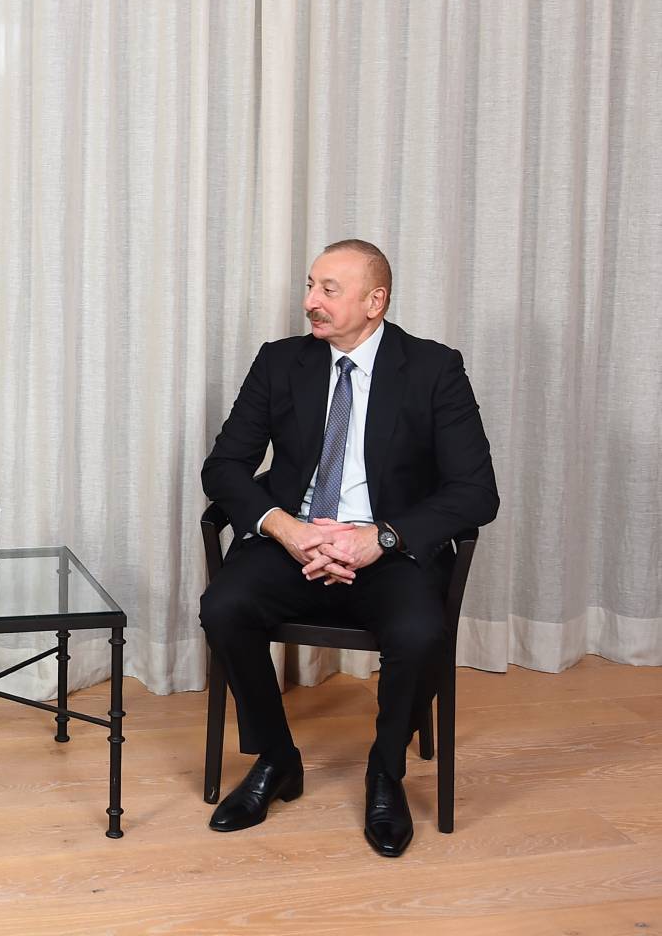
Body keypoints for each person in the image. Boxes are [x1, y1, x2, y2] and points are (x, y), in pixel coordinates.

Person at [199, 239, 498, 858]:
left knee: (420, 631)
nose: (310, 301)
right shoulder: (280, 362)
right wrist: (288, 529)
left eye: (328, 290)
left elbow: (476, 492)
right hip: (296, 542)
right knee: (223, 606)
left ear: (374, 301)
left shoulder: (433, 368)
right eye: (310, 286)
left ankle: (384, 772)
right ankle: (277, 759)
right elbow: (223, 467)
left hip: (388, 551)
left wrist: (379, 538)